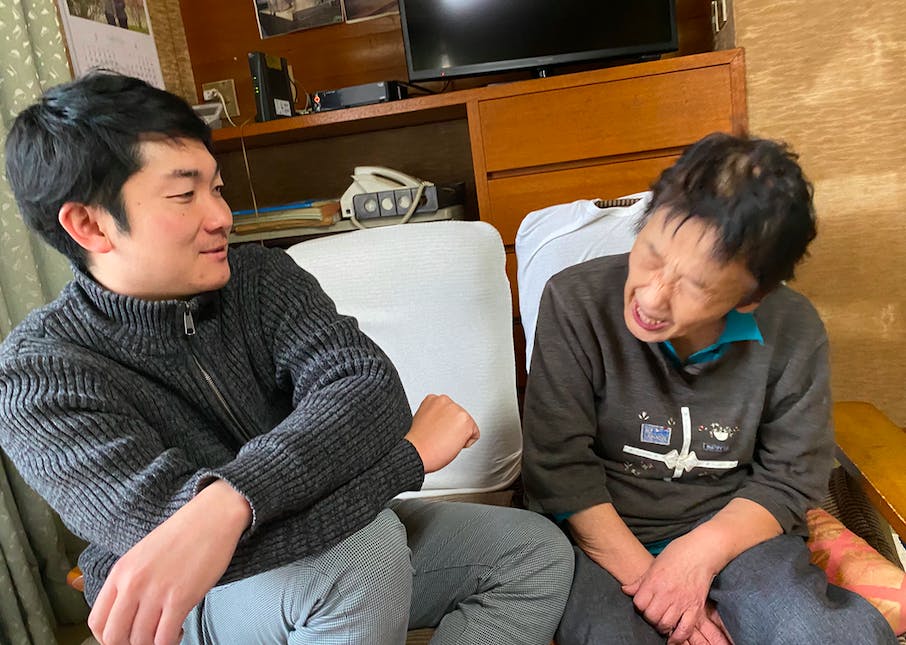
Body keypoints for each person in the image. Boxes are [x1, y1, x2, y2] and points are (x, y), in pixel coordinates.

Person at [0, 72, 574, 645]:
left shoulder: (258, 277)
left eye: (217, 188)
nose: (221, 217)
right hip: (190, 606)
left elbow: (368, 390)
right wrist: (407, 460)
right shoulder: (36, 376)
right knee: (365, 557)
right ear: (89, 224)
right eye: (184, 195)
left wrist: (227, 502)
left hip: (330, 544)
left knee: (532, 552)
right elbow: (185, 549)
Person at [521, 132, 897, 645]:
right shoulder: (573, 301)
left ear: (752, 296)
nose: (651, 298)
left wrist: (696, 556)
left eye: (695, 286)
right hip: (602, 536)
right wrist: (664, 594)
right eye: (651, 253)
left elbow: (790, 476)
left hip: (738, 532)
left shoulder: (794, 328)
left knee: (823, 633)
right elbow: (558, 467)